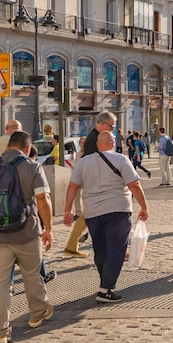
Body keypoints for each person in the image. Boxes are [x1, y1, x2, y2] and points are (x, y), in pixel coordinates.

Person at [0, 131, 54, 343]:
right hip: (26, 232)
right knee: (31, 274)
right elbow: (43, 199)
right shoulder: (32, 166)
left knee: (0, 281)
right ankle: (37, 312)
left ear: (8, 145)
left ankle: (0, 332)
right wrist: (48, 228)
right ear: (28, 148)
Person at [64, 129, 148, 303]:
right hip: (118, 210)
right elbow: (134, 184)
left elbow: (73, 186)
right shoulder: (121, 159)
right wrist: (144, 206)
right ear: (113, 143)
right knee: (116, 249)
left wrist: (67, 209)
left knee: (100, 248)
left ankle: (105, 281)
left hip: (93, 212)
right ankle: (105, 289)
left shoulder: (83, 162)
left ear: (97, 145)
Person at [65, 111, 118, 258]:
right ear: (102, 124)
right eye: (111, 126)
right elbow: (96, 162)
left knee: (89, 216)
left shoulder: (94, 137)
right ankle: (114, 249)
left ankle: (72, 245)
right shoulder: (95, 140)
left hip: (97, 183)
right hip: (97, 183)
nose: (113, 129)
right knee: (94, 216)